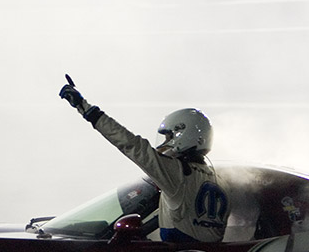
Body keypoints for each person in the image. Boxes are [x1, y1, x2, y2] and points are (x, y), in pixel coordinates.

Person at [60, 76, 229, 243]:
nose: (164, 143)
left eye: (168, 137)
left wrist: (85, 108)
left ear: (184, 134)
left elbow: (132, 145)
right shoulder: (222, 181)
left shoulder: (177, 173)